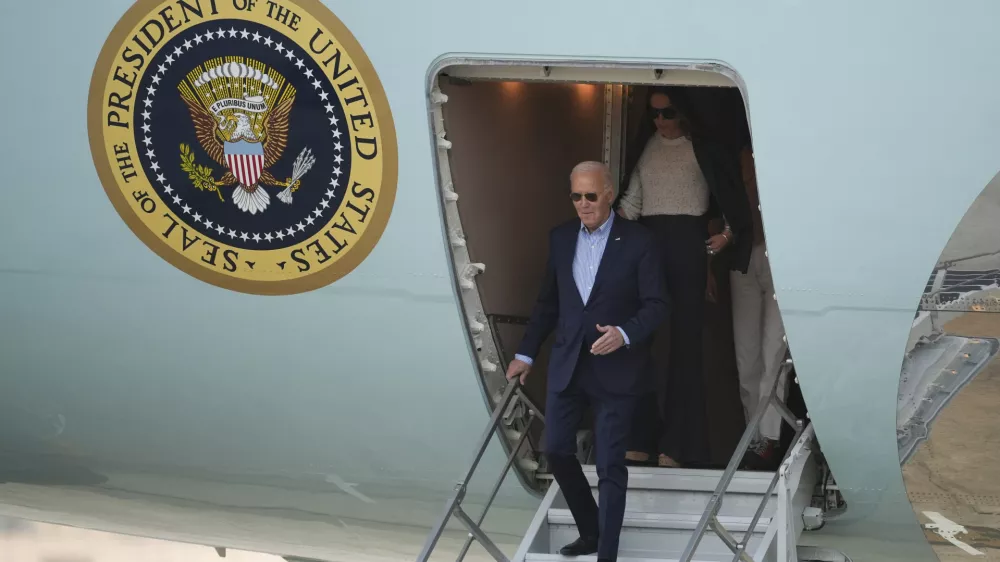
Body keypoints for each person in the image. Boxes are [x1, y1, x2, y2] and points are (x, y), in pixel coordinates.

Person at [506, 161, 668, 562]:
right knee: (557, 450)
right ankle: (591, 531)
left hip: (616, 371)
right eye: (576, 196)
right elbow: (548, 303)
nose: (583, 204)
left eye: (590, 196)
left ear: (609, 193)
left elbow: (658, 304)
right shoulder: (561, 238)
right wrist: (525, 353)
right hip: (568, 364)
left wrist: (625, 333)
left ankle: (606, 555)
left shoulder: (639, 241)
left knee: (611, 465)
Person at [617, 87, 752, 469]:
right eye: (654, 113)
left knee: (685, 349)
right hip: (646, 247)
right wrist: (602, 229)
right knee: (639, 341)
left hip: (688, 248)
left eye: (668, 112)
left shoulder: (704, 149)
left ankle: (679, 445)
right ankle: (639, 438)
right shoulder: (646, 147)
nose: (660, 120)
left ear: (684, 113)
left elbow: (733, 201)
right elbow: (632, 203)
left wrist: (723, 239)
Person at [731, 145, 788, 468]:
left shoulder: (783, 160)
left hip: (778, 258)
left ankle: (769, 438)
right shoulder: (729, 165)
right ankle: (755, 437)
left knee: (773, 353)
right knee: (746, 356)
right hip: (741, 258)